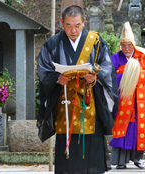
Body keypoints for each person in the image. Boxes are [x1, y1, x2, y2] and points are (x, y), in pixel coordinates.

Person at [37, 5, 119, 174]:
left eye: (77, 25)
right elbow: (43, 70)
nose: (73, 30)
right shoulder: (52, 44)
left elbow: (106, 67)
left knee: (91, 152)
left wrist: (96, 77)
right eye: (68, 25)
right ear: (61, 22)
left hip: (89, 105)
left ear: (84, 22)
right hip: (64, 104)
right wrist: (57, 78)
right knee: (66, 154)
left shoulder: (96, 42)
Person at [109, 22, 145, 169]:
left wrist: (134, 74)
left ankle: (138, 158)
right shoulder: (115, 58)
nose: (126, 49)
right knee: (123, 130)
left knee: (139, 129)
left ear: (134, 45)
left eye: (129, 46)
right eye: (124, 46)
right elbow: (110, 77)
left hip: (139, 103)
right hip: (123, 101)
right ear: (121, 46)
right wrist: (125, 75)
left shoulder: (143, 57)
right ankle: (121, 160)